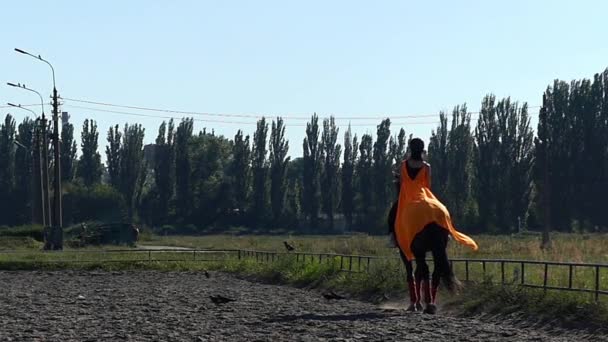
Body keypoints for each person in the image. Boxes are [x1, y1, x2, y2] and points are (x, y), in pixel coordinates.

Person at [393, 138, 478, 314]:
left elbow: (402, 185)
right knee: (440, 210)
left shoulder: (402, 165)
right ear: (423, 150)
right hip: (426, 197)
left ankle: (395, 239)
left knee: (396, 221)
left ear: (410, 149)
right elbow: (427, 186)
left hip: (409, 200)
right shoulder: (427, 167)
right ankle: (431, 302)